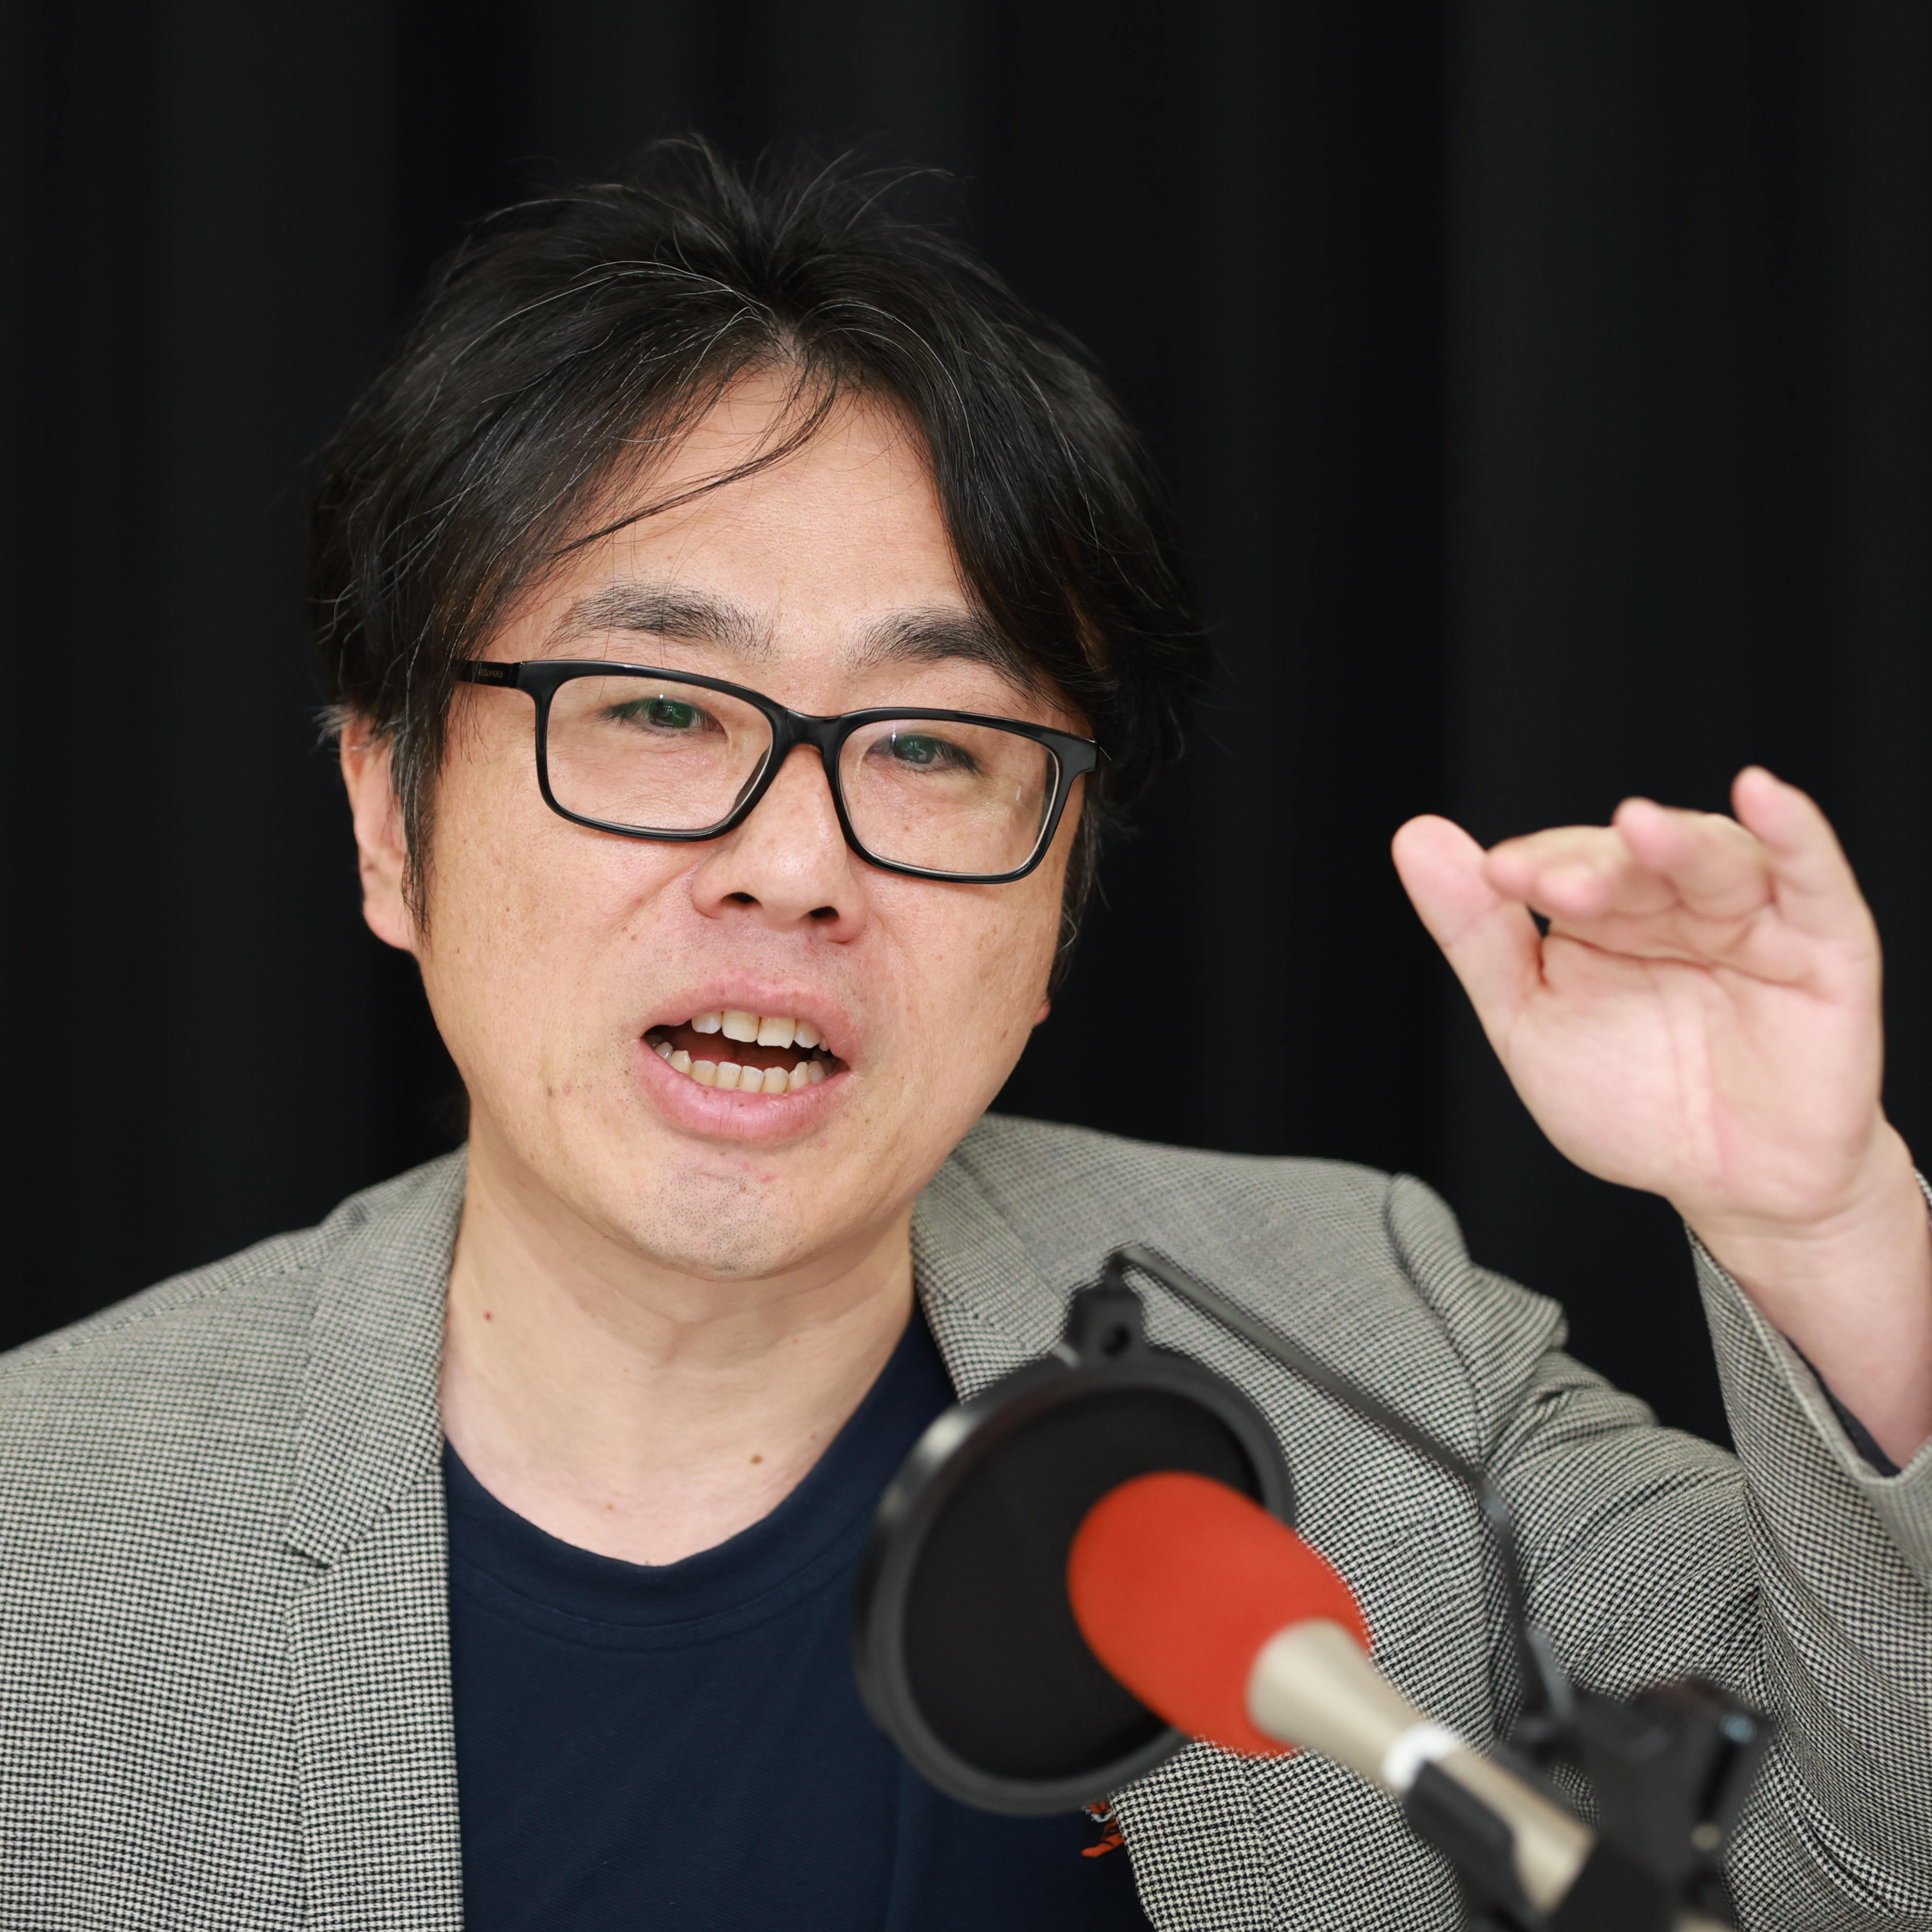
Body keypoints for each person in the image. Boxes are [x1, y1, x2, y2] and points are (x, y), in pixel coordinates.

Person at [1, 140, 1927, 1932]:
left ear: (1062, 894)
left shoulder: (1373, 1338)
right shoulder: (47, 1535)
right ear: (388, 820)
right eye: (657, 710)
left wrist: (1826, 1231)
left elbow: (1856, 1871)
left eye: (933, 746)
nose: (794, 868)